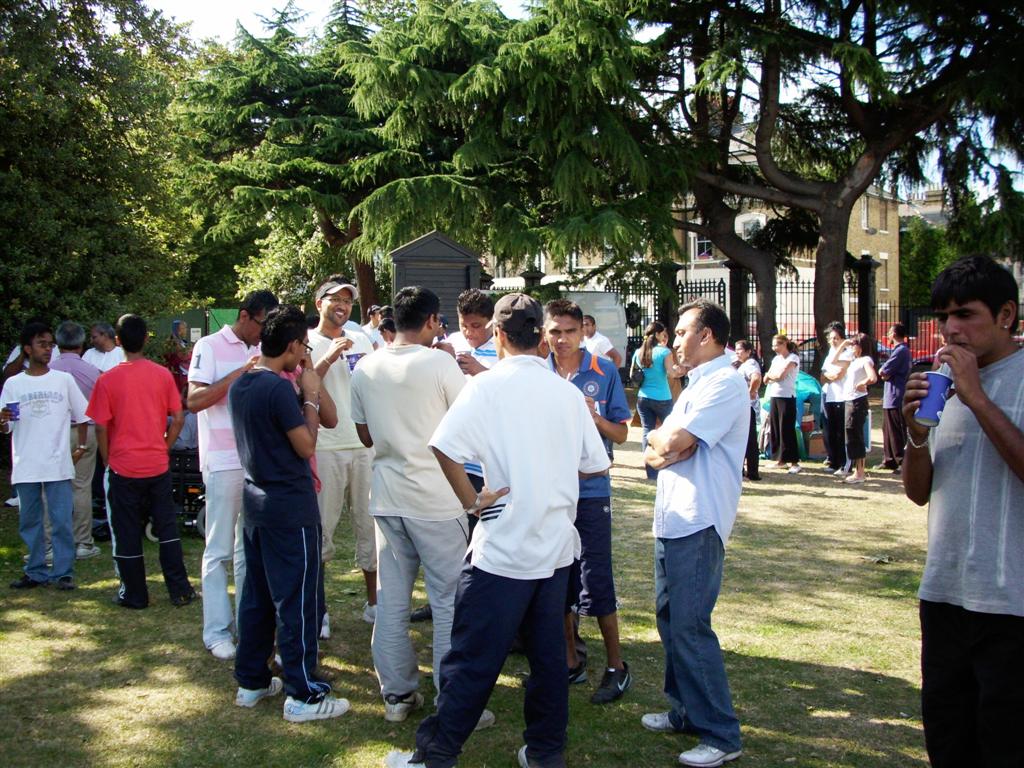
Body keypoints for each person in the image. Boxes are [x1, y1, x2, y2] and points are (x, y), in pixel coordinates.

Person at [385, 293, 610, 768]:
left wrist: (472, 501)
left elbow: (443, 447)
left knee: (472, 659)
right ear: (541, 336)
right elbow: (593, 463)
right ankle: (545, 752)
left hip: (505, 550)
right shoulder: (565, 393)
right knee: (548, 659)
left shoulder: (487, 387)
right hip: (554, 550)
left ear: (499, 334)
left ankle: (434, 756)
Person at [351, 287, 495, 728]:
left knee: (392, 602)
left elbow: (365, 435)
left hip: (388, 498)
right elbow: (469, 425)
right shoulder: (439, 364)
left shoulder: (366, 365)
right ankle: (451, 699)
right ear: (432, 320)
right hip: (435, 501)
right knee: (449, 602)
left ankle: (397, 694)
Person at [901, 255, 1024, 768]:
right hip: (945, 595)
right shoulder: (942, 382)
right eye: (943, 316)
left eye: (966, 314)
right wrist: (915, 435)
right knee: (949, 744)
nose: (951, 329)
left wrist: (977, 398)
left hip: (1012, 604)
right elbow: (919, 493)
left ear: (1006, 315)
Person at [228, 305, 350, 723]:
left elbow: (328, 420)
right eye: (304, 347)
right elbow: (307, 445)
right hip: (289, 505)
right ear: (295, 345)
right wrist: (310, 395)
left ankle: (252, 681)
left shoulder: (243, 382)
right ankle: (303, 694)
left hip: (256, 503)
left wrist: (309, 382)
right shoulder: (278, 390)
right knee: (297, 601)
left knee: (257, 597)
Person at [641, 299, 747, 768]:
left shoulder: (724, 383)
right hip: (673, 518)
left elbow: (671, 441)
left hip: (699, 520)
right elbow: (655, 449)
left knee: (689, 626)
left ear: (707, 336)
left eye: (683, 332)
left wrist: (665, 442)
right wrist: (664, 443)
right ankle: (684, 710)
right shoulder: (696, 383)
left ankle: (721, 735)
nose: (675, 341)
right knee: (669, 620)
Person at [545, 298, 632, 704]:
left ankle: (616, 666)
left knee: (596, 580)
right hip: (550, 492)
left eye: (570, 331)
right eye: (555, 331)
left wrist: (594, 417)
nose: (562, 339)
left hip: (592, 492)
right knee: (557, 578)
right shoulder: (537, 371)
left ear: (583, 331)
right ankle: (570, 661)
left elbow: (622, 434)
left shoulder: (604, 370)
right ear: (544, 333)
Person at [188, 290, 279, 660]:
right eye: (262, 324)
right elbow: (194, 400)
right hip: (223, 460)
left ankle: (248, 627)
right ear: (245, 315)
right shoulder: (208, 346)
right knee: (219, 549)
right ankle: (216, 631)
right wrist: (242, 372)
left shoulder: (263, 348)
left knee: (248, 551)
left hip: (255, 461)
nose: (264, 333)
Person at [87, 314, 196, 609]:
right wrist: (164, 447)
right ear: (147, 339)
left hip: (123, 467)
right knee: (167, 528)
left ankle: (134, 594)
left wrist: (108, 459)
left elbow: (100, 427)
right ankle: (180, 590)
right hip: (156, 464)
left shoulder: (107, 380)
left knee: (126, 531)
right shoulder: (162, 375)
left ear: (117, 341)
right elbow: (178, 418)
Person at [307, 276, 377, 631]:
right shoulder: (306, 341)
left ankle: (374, 604)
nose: (343, 306)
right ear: (319, 303)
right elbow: (303, 385)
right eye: (336, 299)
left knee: (369, 526)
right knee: (322, 530)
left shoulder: (361, 337)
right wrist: (329, 356)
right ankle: (319, 610)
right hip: (326, 447)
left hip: (364, 446)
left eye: (348, 301)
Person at [2, 322, 89, 590]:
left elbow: (83, 415)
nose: (48, 349)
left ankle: (63, 572)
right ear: (27, 349)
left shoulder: (63, 380)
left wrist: (81, 447)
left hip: (57, 463)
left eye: (51, 344)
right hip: (26, 463)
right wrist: (3, 421)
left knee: (61, 520)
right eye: (42, 344)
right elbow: (7, 425)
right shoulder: (14, 384)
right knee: (30, 522)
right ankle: (35, 570)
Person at [49, 321, 103, 559]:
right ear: (81, 345)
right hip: (86, 431)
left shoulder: (48, 370)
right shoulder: (93, 371)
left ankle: (50, 544)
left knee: (50, 487)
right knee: (81, 486)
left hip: (55, 432)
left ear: (57, 344)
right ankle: (83, 542)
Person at [631, 321, 683, 481]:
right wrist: (682, 370)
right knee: (669, 430)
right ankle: (668, 465)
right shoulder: (664, 352)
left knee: (647, 431)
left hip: (643, 397)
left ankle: (650, 470)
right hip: (662, 397)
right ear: (659, 334)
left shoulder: (639, 351)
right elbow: (672, 373)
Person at [839, 333, 877, 485]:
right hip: (850, 400)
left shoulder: (865, 360)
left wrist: (863, 382)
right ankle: (857, 470)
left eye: (853, 344)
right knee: (851, 434)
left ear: (860, 346)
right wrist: (843, 345)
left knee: (855, 434)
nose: (851, 347)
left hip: (857, 401)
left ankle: (859, 472)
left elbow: (873, 377)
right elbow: (835, 360)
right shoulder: (854, 360)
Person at [763, 334, 802, 473]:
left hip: (787, 397)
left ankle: (794, 462)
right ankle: (781, 459)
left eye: (776, 345)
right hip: (775, 395)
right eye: (773, 345)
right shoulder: (776, 359)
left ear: (784, 344)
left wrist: (771, 376)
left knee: (787, 428)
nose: (774, 348)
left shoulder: (793, 358)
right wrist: (771, 376)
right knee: (776, 428)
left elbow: (781, 376)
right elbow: (766, 379)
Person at [820, 322, 853, 475]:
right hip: (828, 395)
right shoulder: (829, 354)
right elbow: (823, 375)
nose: (833, 341)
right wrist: (829, 376)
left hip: (841, 396)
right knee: (829, 429)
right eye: (831, 338)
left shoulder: (847, 353)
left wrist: (830, 376)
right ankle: (832, 460)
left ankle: (843, 462)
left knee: (840, 431)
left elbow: (839, 374)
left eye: (836, 338)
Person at [877, 323, 910, 472]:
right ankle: (889, 459)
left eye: (889, 333)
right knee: (887, 429)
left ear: (894, 334)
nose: (888, 336)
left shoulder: (901, 350)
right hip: (889, 396)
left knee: (896, 430)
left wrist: (884, 373)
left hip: (896, 395)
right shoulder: (898, 351)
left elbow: (883, 371)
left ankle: (901, 460)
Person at [733, 340, 762, 481]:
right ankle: (746, 470)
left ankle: (752, 472)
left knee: (749, 440)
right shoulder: (742, 365)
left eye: (740, 349)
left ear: (748, 351)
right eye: (736, 349)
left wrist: (751, 392)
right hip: (743, 406)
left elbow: (756, 377)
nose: (737, 352)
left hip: (747, 407)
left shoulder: (750, 363)